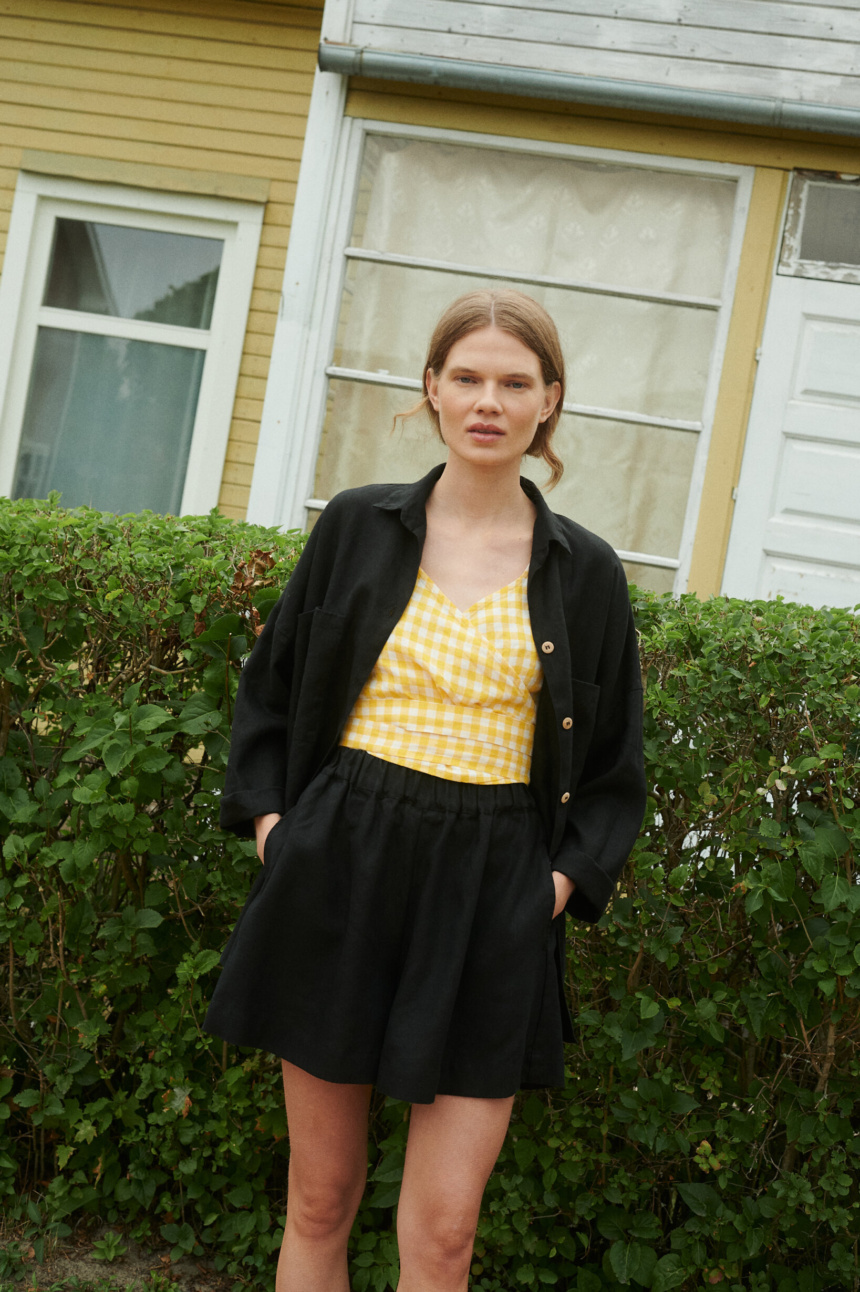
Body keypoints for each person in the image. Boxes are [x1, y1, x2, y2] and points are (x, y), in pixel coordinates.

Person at [205, 289, 646, 1292]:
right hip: (339, 860)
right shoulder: (358, 526)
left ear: (548, 402)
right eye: (467, 377)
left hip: (493, 883)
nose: (487, 400)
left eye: (513, 382)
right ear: (432, 391)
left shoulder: (584, 573)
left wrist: (557, 886)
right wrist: (280, 829)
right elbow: (268, 694)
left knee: (443, 1235)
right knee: (320, 1197)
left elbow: (614, 763)